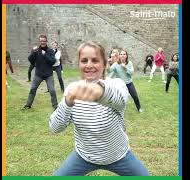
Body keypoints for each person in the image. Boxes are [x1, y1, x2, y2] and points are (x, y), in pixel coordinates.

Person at [49, 41, 150, 176]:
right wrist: (67, 102)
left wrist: (100, 92)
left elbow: (120, 100)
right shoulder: (72, 89)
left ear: (104, 64)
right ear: (79, 64)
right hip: (83, 156)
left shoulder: (116, 84)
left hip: (119, 156)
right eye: (84, 60)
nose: (89, 65)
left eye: (95, 60)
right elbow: (55, 128)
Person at [21, 35, 58, 110]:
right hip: (39, 74)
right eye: (41, 41)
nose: (42, 42)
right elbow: (30, 60)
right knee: (32, 89)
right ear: (39, 41)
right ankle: (28, 105)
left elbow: (52, 61)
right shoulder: (36, 50)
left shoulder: (50, 51)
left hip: (48, 75)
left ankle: (55, 106)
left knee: (52, 90)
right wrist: (33, 53)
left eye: (44, 41)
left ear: (46, 41)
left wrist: (45, 55)